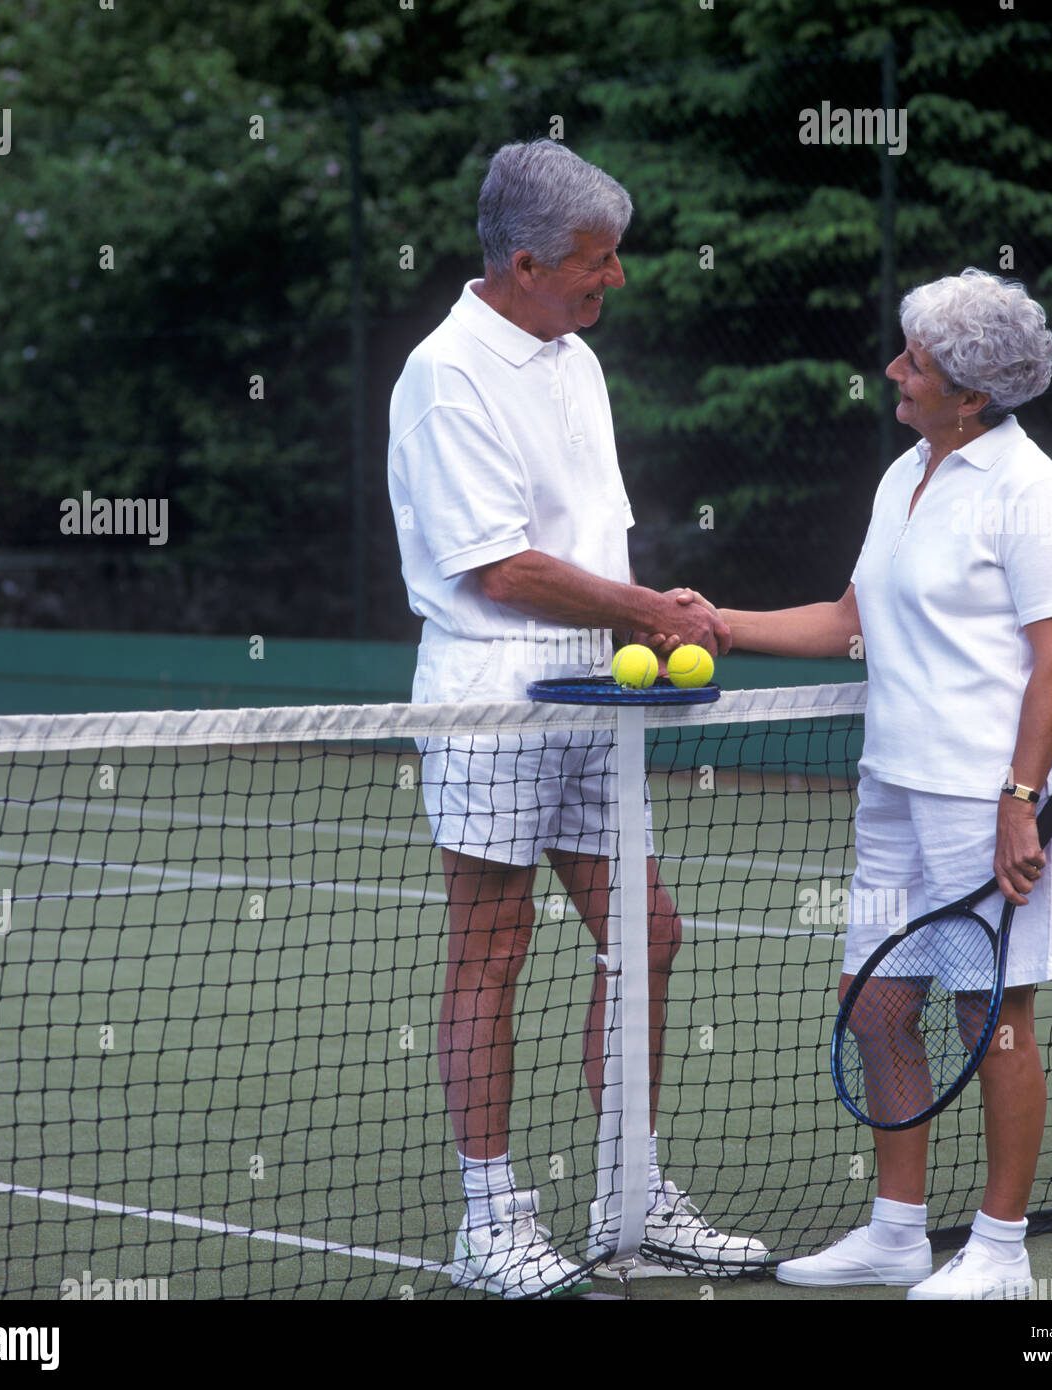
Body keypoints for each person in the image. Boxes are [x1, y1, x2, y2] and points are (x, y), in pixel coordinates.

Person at [386, 139, 767, 1298]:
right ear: (523, 260)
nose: (616, 278)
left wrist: (642, 624)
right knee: (493, 952)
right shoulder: (446, 373)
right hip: (494, 692)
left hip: (599, 692)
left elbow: (588, 543)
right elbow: (500, 569)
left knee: (647, 931)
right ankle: (489, 1218)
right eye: (596, 262)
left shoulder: (573, 359)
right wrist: (650, 609)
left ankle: (627, 1188)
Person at [714, 268, 1052, 1300]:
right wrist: (716, 623)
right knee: (876, 1007)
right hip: (895, 783)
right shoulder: (905, 473)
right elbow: (849, 621)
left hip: (993, 790)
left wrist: (1021, 800)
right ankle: (894, 1231)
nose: (891, 369)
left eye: (913, 362)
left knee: (992, 1018)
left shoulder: (1027, 490)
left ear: (971, 393)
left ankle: (1001, 1252)